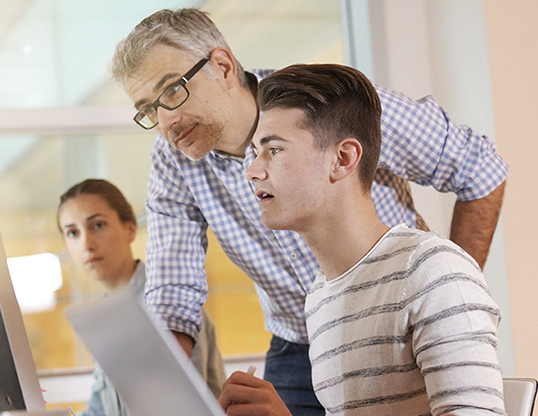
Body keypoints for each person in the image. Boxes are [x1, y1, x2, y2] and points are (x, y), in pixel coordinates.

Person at [110, 8, 508, 415]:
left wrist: (448, 294)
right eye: (148, 109)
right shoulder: (174, 162)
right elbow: (173, 293)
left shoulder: (326, 106)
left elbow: (479, 170)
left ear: (222, 67)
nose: (165, 121)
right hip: (307, 331)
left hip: (394, 316)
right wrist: (160, 395)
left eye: (172, 91)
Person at [219, 63, 504, 415]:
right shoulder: (321, 298)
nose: (252, 170)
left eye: (274, 150)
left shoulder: (433, 273)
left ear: (342, 158)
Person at [57, 179, 225, 415]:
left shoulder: (173, 300)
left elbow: (181, 409)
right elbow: (100, 411)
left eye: (97, 225)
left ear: (130, 228)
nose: (87, 244)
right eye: (72, 232)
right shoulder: (104, 317)